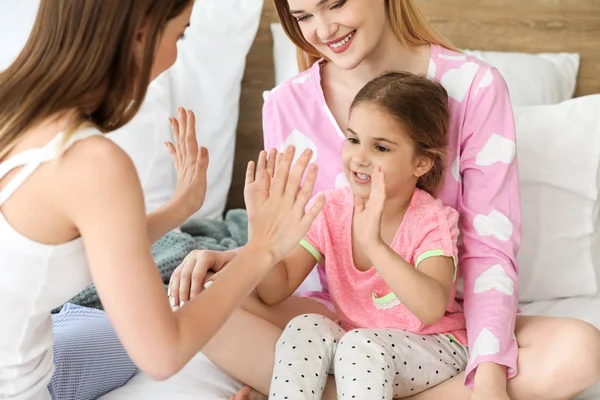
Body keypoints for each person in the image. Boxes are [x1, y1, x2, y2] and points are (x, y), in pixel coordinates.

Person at [169, 0, 600, 399]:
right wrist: (242, 261)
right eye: (303, 16)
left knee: (579, 349)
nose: (323, 28)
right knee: (200, 297)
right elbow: (291, 254)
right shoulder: (285, 105)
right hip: (337, 320)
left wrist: (489, 375)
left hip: (444, 328)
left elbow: (487, 252)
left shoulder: (475, 89)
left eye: (335, 2)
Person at [0, 1, 325, 399]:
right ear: (142, 34)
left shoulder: (13, 108)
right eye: (180, 34)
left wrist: (179, 209)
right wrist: (262, 249)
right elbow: (164, 354)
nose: (173, 58)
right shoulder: (92, 163)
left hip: (39, 354)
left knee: (113, 329)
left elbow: (52, 245)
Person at [262, 71, 470, 400]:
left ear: (421, 163)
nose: (359, 157)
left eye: (381, 148)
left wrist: (373, 244)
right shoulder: (331, 208)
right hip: (357, 342)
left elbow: (431, 308)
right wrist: (263, 238)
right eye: (353, 139)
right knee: (305, 325)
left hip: (434, 345)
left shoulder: (431, 220)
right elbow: (277, 288)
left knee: (360, 346)